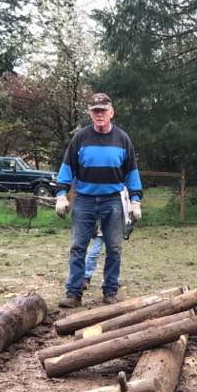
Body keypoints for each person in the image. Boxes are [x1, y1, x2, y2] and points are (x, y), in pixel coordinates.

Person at [54, 93, 142, 307]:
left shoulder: (123, 139)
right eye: (95, 111)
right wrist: (60, 195)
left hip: (113, 200)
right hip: (84, 199)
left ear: (111, 112)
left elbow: (131, 171)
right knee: (78, 247)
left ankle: (110, 292)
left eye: (103, 110)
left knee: (114, 247)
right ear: (90, 113)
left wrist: (136, 199)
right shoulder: (80, 138)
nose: (99, 114)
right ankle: (74, 293)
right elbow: (67, 168)